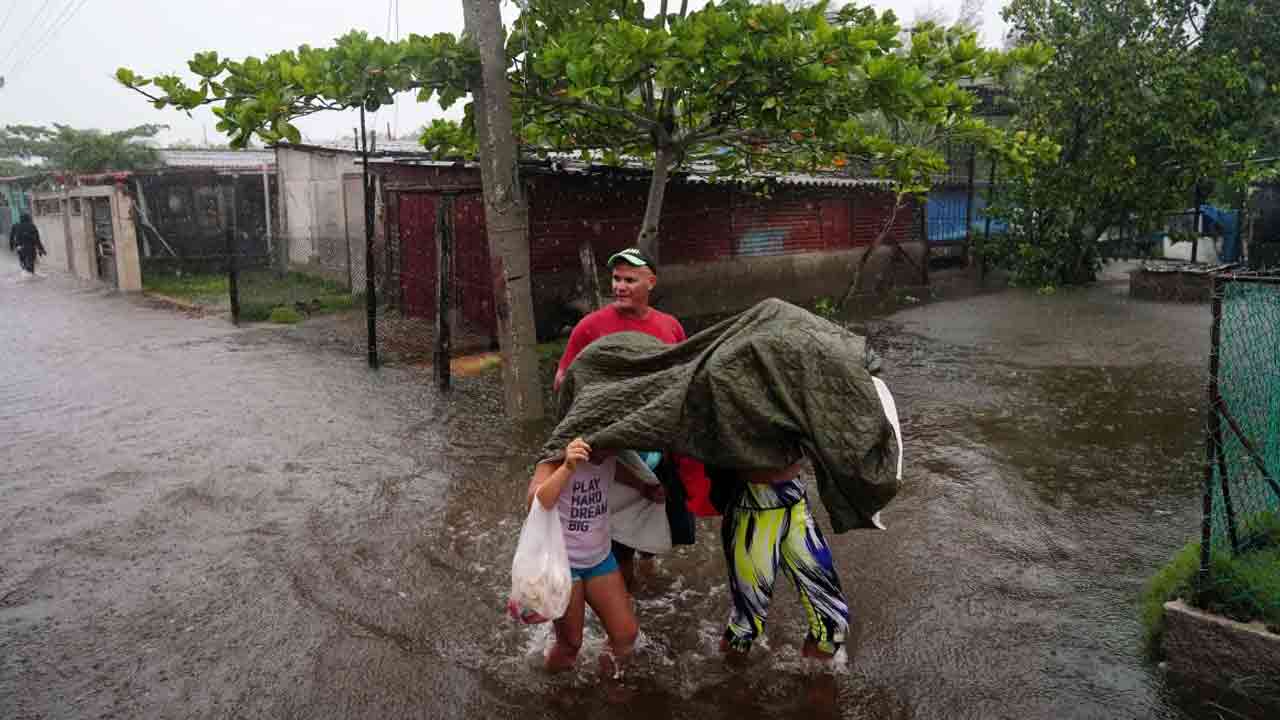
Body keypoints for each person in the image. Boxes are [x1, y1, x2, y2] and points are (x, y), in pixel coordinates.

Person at [554, 247, 697, 591]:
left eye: (629, 279)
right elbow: (563, 377)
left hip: (659, 441)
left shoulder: (670, 326)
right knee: (618, 541)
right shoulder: (591, 326)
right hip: (615, 446)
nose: (620, 285)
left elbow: (685, 377)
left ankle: (647, 567)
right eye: (616, 278)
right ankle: (625, 604)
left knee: (661, 515)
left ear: (651, 281)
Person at [528, 437, 650, 675]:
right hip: (562, 564)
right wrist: (568, 467)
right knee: (570, 645)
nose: (611, 452)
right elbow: (534, 502)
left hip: (600, 559)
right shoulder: (556, 457)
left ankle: (606, 683)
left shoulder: (613, 455)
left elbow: (616, 473)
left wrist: (645, 487)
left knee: (626, 635)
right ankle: (554, 693)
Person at [709, 459, 850, 663]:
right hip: (750, 513)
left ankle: (820, 678)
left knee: (835, 623)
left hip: (795, 505)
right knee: (746, 627)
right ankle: (729, 676)